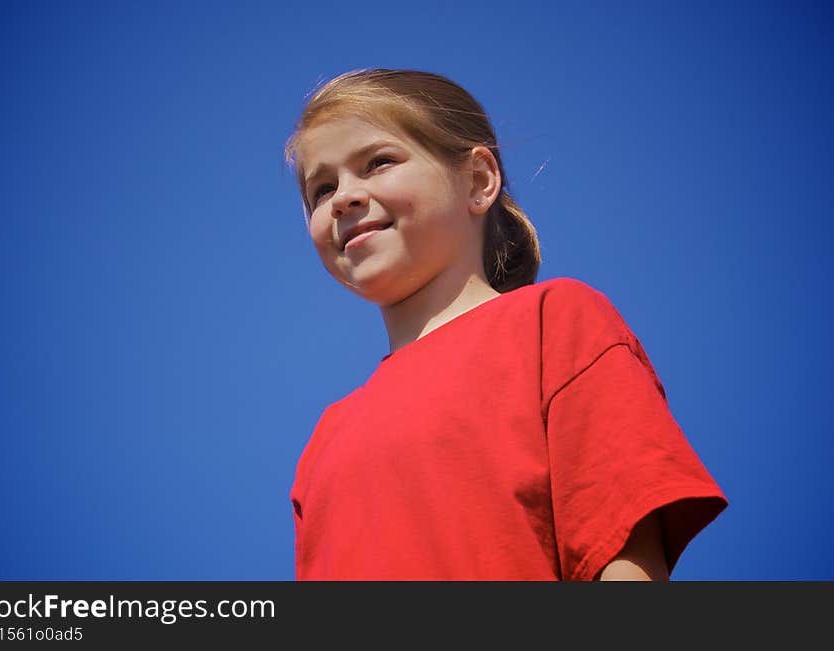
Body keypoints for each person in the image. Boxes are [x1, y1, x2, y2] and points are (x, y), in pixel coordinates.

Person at [284, 69, 727, 581]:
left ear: (478, 180)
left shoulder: (553, 325)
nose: (343, 198)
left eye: (378, 162)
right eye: (321, 189)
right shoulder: (325, 440)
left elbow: (622, 556)